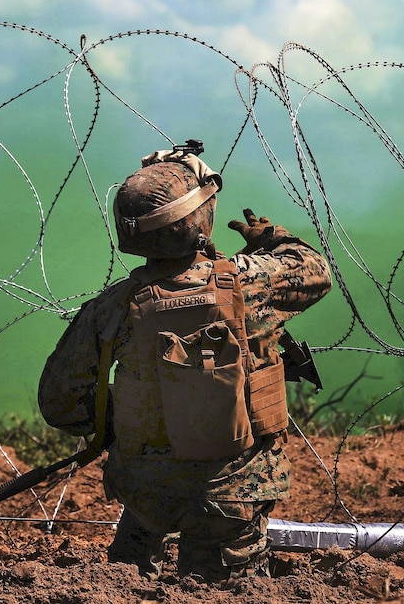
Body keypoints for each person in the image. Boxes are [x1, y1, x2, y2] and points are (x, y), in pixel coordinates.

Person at [37, 145, 332, 585]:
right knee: (226, 590)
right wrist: (270, 237)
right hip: (233, 490)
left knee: (120, 582)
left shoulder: (111, 308)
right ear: (200, 221)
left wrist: (128, 423)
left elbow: (59, 402)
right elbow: (315, 271)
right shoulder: (252, 283)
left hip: (146, 488)